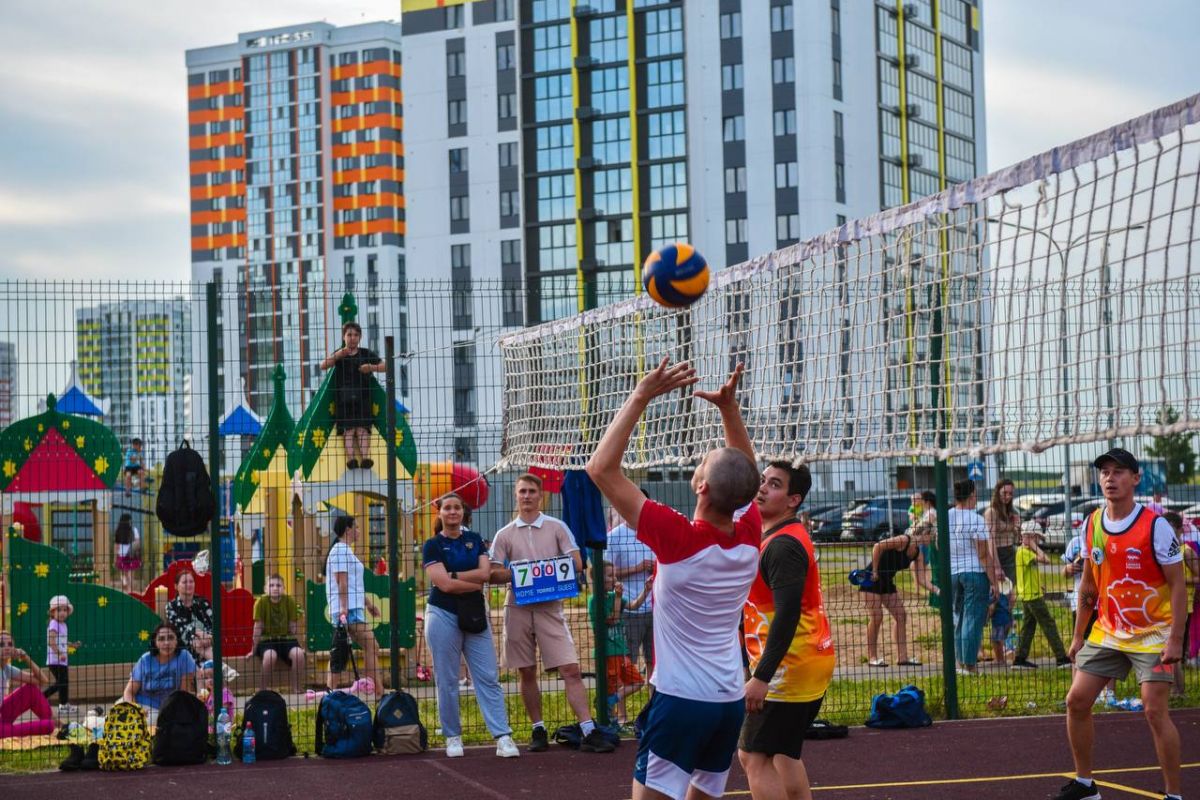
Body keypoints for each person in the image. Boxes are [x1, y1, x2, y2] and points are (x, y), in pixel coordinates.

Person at [586, 360, 762, 800]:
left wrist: (642, 394)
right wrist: (729, 412)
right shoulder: (749, 535)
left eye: (703, 464)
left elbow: (601, 469)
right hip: (727, 702)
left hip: (682, 701)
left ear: (700, 487)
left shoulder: (679, 538)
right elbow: (745, 477)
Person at [1056, 448, 1186, 800]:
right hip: (1109, 631)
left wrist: (1176, 639)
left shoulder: (1155, 526)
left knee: (1154, 710)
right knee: (1076, 701)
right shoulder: (1092, 522)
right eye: (1105, 473)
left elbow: (1178, 585)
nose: (1110, 478)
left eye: (1118, 472)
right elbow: (1089, 584)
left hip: (1153, 634)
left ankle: (1173, 794)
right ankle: (1085, 785)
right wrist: (1079, 635)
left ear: (1136, 477)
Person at [488, 473, 609, 753]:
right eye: (522, 491)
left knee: (571, 668)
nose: (527, 496)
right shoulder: (504, 534)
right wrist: (523, 575)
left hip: (550, 607)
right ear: (515, 496)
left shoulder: (557, 527)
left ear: (540, 495)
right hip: (517, 606)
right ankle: (537, 729)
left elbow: (577, 562)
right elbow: (492, 573)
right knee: (526, 671)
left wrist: (543, 574)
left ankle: (588, 728)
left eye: (532, 491)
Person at [739, 461, 835, 800]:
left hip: (788, 668)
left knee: (752, 755)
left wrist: (762, 675)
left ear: (793, 499)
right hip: (805, 662)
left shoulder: (783, 546)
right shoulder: (775, 537)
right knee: (783, 754)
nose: (762, 488)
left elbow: (788, 614)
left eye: (774, 484)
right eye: (762, 480)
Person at [422, 493, 519, 759]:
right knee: (447, 679)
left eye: (457, 508)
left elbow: (485, 574)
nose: (453, 512)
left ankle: (503, 736)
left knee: (488, 676)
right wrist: (472, 583)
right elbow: (444, 585)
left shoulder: (474, 540)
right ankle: (452, 736)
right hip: (442, 613)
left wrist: (455, 576)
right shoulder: (432, 545)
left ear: (464, 513)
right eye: (448, 508)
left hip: (474, 613)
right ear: (440, 513)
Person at [862, 514, 938, 667]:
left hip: (887, 582)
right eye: (932, 536)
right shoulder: (904, 540)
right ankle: (872, 657)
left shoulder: (918, 553)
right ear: (925, 534)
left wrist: (938, 590)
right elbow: (878, 546)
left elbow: (922, 580)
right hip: (871, 579)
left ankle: (902, 657)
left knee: (901, 615)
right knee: (877, 617)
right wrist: (875, 570)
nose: (932, 540)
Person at [588, 561, 650, 726]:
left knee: (638, 682)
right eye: (610, 576)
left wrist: (646, 590)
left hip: (620, 651)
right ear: (599, 580)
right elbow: (613, 619)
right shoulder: (595, 601)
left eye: (614, 574)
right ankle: (610, 721)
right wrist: (617, 598)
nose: (614, 578)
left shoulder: (614, 597)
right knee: (610, 686)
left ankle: (610, 701)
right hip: (607, 653)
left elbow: (634, 606)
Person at [325, 514, 383, 692]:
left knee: (340, 650)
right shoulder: (340, 550)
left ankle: (330, 692)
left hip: (352, 606)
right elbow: (341, 581)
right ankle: (380, 693)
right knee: (371, 646)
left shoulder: (344, 550)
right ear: (348, 530)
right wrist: (344, 608)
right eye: (356, 527)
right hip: (348, 609)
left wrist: (368, 604)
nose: (358, 531)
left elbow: (351, 584)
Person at [319, 321, 385, 470]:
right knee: (348, 431)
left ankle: (365, 458)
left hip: (363, 399)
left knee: (362, 430)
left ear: (360, 337)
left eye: (356, 335)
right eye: (349, 335)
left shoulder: (366, 353)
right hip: (344, 400)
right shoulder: (340, 354)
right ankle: (351, 459)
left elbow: (385, 366)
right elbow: (323, 365)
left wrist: (371, 367)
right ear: (344, 337)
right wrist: (337, 355)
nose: (352, 338)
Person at [948, 479, 998, 676]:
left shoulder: (947, 516)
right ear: (971, 495)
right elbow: (983, 553)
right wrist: (994, 581)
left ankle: (960, 663)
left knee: (959, 619)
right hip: (975, 573)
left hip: (953, 572)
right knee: (973, 619)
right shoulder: (975, 519)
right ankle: (970, 665)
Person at [605, 505, 656, 676]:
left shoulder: (654, 532)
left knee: (654, 661)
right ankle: (620, 702)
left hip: (655, 608)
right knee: (628, 661)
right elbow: (606, 574)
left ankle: (653, 701)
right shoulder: (614, 537)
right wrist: (636, 568)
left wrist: (656, 568)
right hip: (629, 608)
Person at [1011, 528, 1070, 669]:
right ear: (1029, 537)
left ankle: (1019, 659)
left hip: (1030, 594)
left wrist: (1039, 585)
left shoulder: (1025, 552)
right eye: (1037, 538)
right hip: (1032, 597)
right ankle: (1061, 657)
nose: (1039, 541)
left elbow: (1027, 574)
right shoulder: (1024, 552)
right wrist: (1033, 545)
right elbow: (1047, 560)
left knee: (1028, 627)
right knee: (1048, 624)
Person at [122, 623, 197, 726]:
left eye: (171, 638)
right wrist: (135, 709)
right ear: (155, 643)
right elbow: (128, 692)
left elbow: (183, 695)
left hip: (167, 708)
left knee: (152, 724)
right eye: (161, 639)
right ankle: (95, 714)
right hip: (140, 704)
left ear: (177, 640)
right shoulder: (145, 660)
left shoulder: (184, 657)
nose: (166, 643)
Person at [251, 574, 307, 693]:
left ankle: (296, 687)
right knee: (270, 656)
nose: (275, 588)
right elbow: (258, 627)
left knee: (299, 655)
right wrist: (253, 649)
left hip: (286, 639)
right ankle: (262, 690)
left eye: (278, 585)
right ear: (265, 589)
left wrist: (301, 646)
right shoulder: (260, 602)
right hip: (267, 640)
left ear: (284, 588)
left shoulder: (289, 601)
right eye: (271, 585)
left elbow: (293, 626)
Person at [0, 630, 55, 739]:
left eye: (10, 644)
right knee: (48, 726)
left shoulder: (6, 669)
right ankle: (50, 724)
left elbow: (42, 680)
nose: (6, 647)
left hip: (2, 713)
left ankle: (50, 720)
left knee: (30, 690)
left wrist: (25, 658)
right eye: (1, 645)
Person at [43, 595, 81, 715]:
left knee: (63, 682)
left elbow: (62, 640)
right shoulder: (54, 623)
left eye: (65, 610)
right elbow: (51, 641)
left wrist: (72, 645)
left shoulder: (63, 625)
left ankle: (63, 705)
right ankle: (42, 696)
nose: (62, 613)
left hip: (62, 660)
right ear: (52, 612)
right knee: (62, 682)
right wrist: (59, 654)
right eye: (59, 610)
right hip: (55, 660)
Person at [165, 569, 214, 661]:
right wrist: (199, 633)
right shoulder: (171, 606)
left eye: (191, 581)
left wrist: (208, 637)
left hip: (206, 643)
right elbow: (181, 629)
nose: (189, 584)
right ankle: (221, 667)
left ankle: (217, 667)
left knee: (199, 643)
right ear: (176, 586)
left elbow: (212, 626)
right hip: (183, 650)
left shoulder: (203, 603)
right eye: (184, 582)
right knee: (195, 642)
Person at [983, 479, 1021, 585]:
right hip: (999, 554)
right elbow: (991, 540)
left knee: (1011, 592)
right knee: (1000, 593)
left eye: (1010, 494)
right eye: (1004, 493)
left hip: (1011, 552)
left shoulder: (1011, 512)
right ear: (997, 492)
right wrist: (997, 566)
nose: (1008, 496)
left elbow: (1017, 538)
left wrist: (1016, 527)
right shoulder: (991, 512)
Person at [114, 513, 142, 594]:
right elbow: (138, 542)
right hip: (131, 555)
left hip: (121, 555)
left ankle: (125, 585)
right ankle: (131, 591)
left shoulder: (118, 531)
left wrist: (115, 558)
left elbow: (116, 546)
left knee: (123, 573)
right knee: (131, 574)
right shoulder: (134, 530)